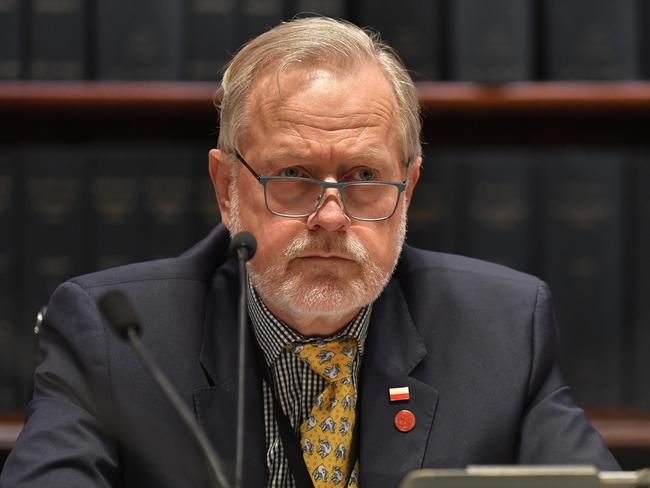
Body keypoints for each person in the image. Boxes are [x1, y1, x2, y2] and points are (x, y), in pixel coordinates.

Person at [1, 17, 618, 488]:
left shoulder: (504, 327)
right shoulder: (114, 339)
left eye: (364, 175)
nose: (329, 216)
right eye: (293, 174)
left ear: (409, 189)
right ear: (226, 187)